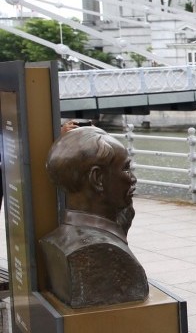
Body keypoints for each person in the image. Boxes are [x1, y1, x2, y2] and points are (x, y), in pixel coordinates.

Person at [39, 126, 148, 308]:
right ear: (97, 179)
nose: (133, 179)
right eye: (126, 169)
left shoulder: (55, 240)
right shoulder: (102, 252)